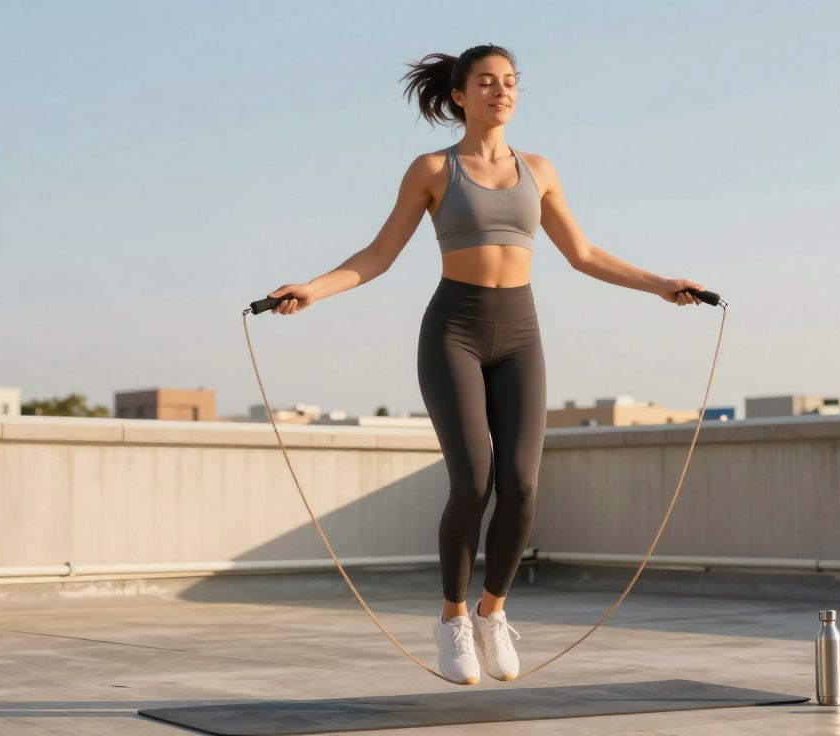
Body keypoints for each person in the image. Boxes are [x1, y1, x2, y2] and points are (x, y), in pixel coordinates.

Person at [263, 44, 707, 685]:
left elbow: (581, 253)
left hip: (520, 333)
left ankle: (491, 611)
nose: (501, 91)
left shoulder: (541, 170)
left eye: (509, 82)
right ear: (460, 96)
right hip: (455, 331)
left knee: (523, 486)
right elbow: (379, 254)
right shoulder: (433, 169)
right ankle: (451, 621)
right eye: (486, 82)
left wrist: (660, 282)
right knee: (473, 482)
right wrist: (311, 287)